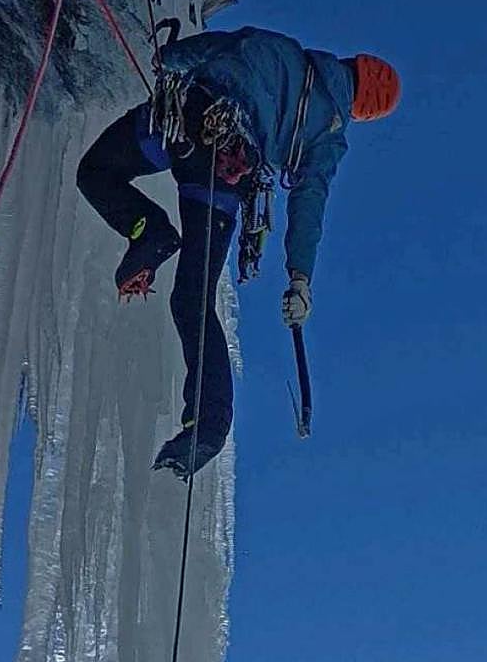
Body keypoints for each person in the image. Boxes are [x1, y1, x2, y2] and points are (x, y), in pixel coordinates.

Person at [76, 26, 400, 479]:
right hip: (228, 174)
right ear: (362, 109)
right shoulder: (329, 133)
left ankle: (148, 229)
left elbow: (217, 45)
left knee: (96, 171)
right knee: (193, 300)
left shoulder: (280, 47)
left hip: (184, 122)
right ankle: (205, 427)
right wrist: (300, 279)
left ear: (352, 62)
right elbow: (310, 200)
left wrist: (170, 56)